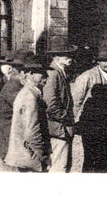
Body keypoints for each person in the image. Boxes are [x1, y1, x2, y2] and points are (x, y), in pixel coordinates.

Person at [72, 44, 107, 173]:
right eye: (104, 60)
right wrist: (73, 123)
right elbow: (76, 102)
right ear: (98, 61)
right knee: (91, 160)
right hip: (90, 126)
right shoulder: (86, 77)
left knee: (106, 161)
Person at [5, 57, 52, 172]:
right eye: (42, 73)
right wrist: (42, 155)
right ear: (30, 74)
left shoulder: (29, 92)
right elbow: (32, 131)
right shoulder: (30, 96)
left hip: (26, 154)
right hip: (30, 156)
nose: (46, 76)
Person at [43, 44, 77, 172]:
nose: (70, 58)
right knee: (58, 166)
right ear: (56, 57)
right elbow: (50, 104)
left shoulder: (60, 72)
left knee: (64, 164)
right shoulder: (53, 73)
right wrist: (65, 119)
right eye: (67, 55)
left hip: (62, 127)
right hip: (58, 127)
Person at [0, 52, 28, 171]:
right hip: (9, 143)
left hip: (10, 141)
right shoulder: (14, 87)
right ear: (21, 72)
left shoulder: (17, 85)